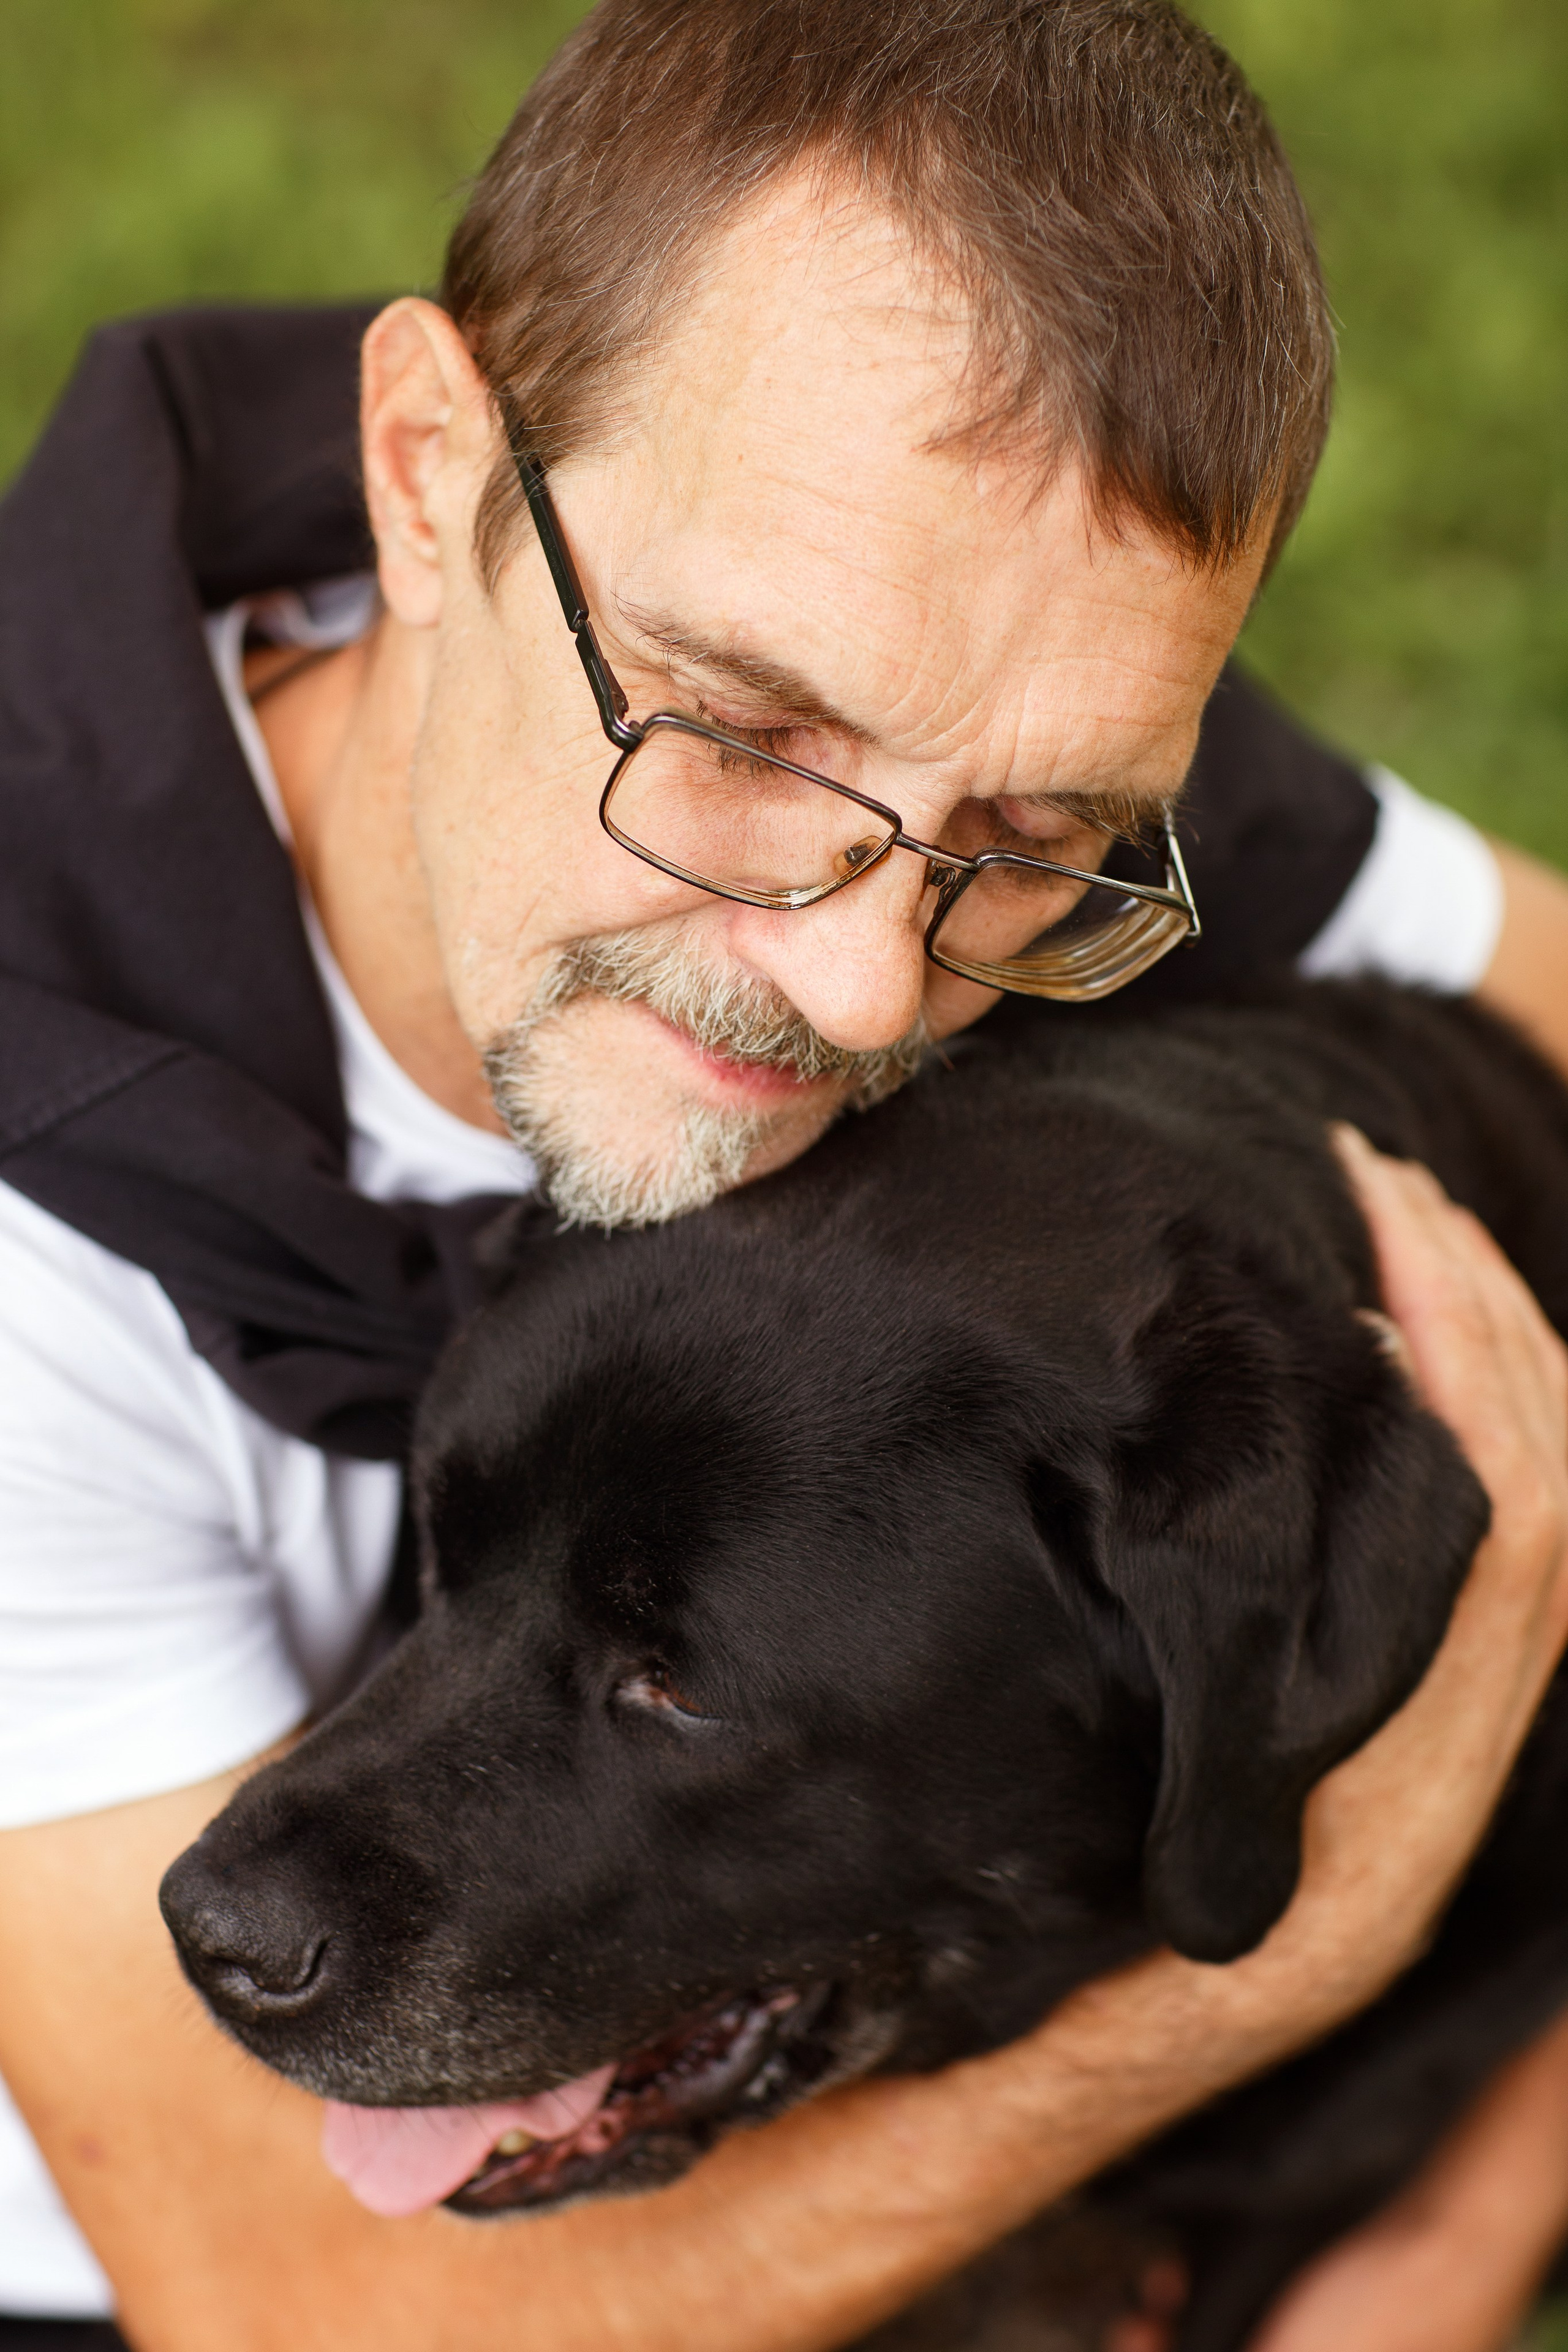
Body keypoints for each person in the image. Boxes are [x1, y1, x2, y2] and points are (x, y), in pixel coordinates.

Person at [2, 4, 1567, 2348]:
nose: (860, 993)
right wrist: (1305, 1981)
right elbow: (306, 2315)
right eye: (737, 737)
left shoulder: (963, 692)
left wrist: (1477, 2192)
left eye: (1033, 842)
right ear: (425, 472)